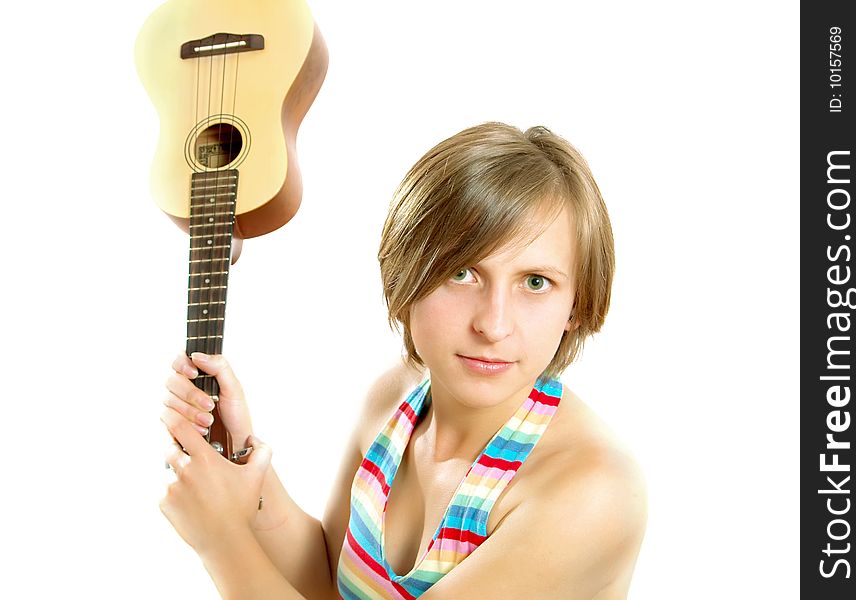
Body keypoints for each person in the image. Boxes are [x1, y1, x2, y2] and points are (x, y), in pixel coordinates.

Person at [161, 122, 647, 599]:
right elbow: (328, 583)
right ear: (406, 272)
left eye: (536, 282)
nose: (494, 326)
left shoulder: (592, 491)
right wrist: (244, 462)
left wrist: (220, 541)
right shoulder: (396, 399)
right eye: (462, 273)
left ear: (576, 306)